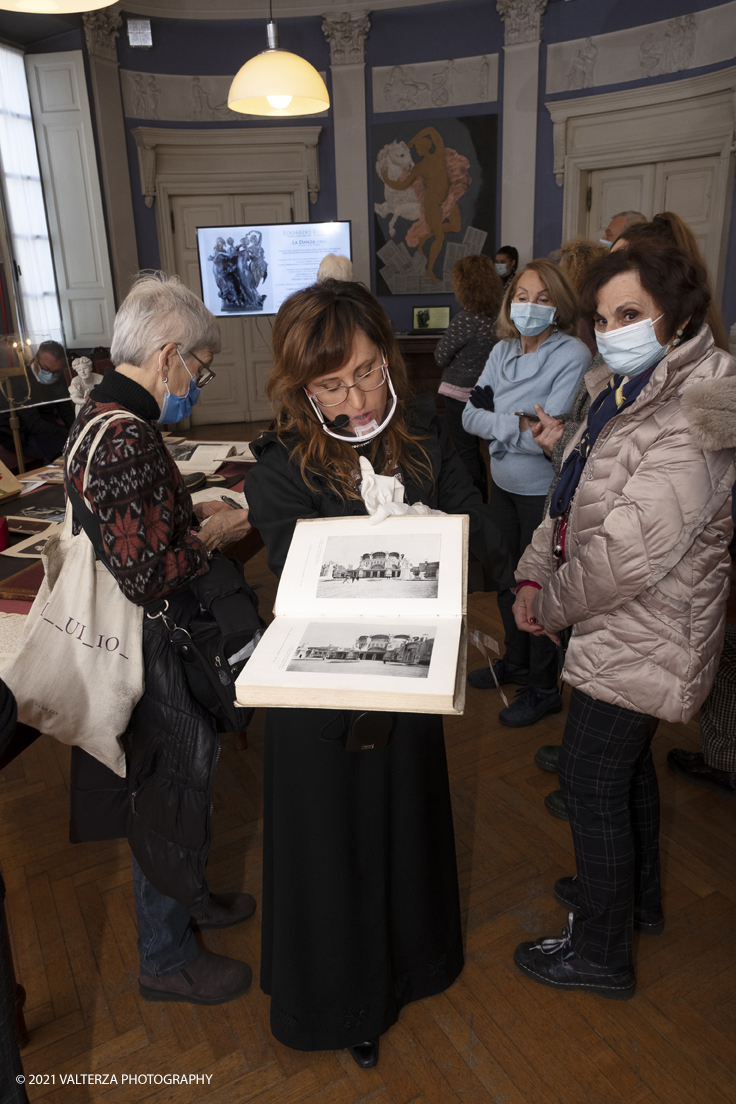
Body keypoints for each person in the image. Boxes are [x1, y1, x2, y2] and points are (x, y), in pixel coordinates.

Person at [246, 279, 509, 1068]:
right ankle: (345, 1001)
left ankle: (411, 969)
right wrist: (381, 542)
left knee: (402, 827)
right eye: (330, 384)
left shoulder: (422, 438)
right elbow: (304, 580)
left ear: (388, 360)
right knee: (336, 846)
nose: (355, 396)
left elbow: (489, 538)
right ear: (302, 389)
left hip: (404, 685)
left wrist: (445, 533)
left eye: (366, 372)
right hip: (321, 700)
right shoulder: (282, 466)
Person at [511, 240, 736, 999]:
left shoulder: (702, 403)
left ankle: (601, 953)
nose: (612, 330)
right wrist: (534, 571)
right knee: (621, 767)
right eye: (604, 317)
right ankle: (632, 901)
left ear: (675, 316)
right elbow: (570, 495)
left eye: (630, 314)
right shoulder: (620, 385)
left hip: (649, 626)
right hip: (612, 619)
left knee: (590, 778)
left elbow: (626, 554)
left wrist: (550, 603)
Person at [64, 273, 255, 1007]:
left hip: (141, 637)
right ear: (169, 354)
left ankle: (191, 899)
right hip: (154, 644)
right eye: (200, 370)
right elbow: (149, 574)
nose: (196, 384)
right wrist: (210, 534)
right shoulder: (129, 436)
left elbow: (129, 528)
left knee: (182, 785)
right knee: (173, 791)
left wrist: (180, 506)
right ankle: (164, 955)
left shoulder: (101, 411)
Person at [462, 258, 590, 726]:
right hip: (502, 485)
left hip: (544, 492)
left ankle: (542, 688)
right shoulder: (500, 352)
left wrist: (501, 423)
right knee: (505, 579)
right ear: (508, 301)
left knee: (540, 590)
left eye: (542, 298)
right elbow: (468, 416)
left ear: (558, 306)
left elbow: (547, 432)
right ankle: (516, 663)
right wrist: (516, 422)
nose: (529, 306)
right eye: (521, 296)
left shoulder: (572, 354)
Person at [434, 253, 504, 498]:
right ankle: (492, 498)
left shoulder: (465, 320)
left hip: (459, 395)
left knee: (466, 452)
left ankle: (475, 502)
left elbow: (440, 356)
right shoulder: (499, 319)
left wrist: (457, 357)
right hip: (489, 393)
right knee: (492, 449)